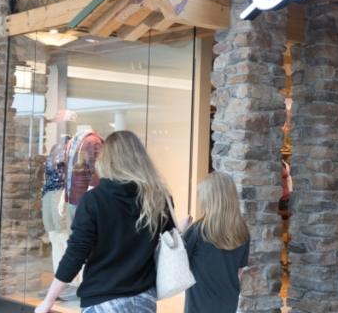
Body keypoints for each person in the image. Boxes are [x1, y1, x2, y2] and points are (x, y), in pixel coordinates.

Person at [36, 131, 174, 313]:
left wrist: (48, 301)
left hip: (103, 300)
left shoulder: (94, 200)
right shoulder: (159, 199)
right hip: (144, 300)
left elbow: (76, 254)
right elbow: (167, 243)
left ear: (106, 160)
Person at [182, 172, 250, 313]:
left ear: (208, 199)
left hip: (199, 306)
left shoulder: (198, 231)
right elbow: (239, 271)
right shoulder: (243, 232)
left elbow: (177, 263)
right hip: (228, 304)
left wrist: (181, 232)